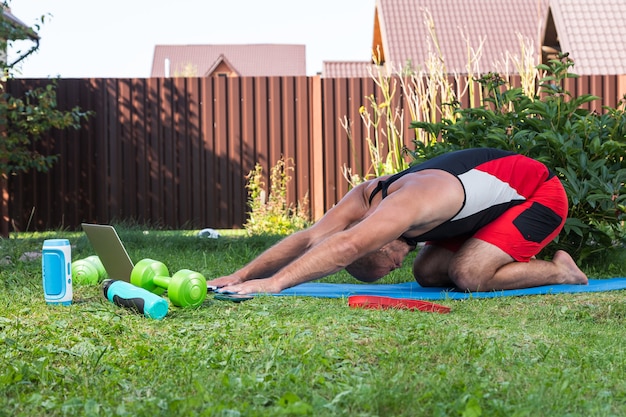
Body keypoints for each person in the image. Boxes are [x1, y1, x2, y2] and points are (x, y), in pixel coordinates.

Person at [207, 147, 588, 294]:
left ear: (380, 240)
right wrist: (241, 275)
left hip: (540, 195)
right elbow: (311, 238)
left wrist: (273, 284)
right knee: (428, 274)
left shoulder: (406, 206)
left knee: (469, 275)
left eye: (387, 263)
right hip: (488, 212)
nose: (397, 264)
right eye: (392, 268)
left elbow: (346, 246)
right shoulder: (365, 197)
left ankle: (562, 272)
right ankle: (497, 252)